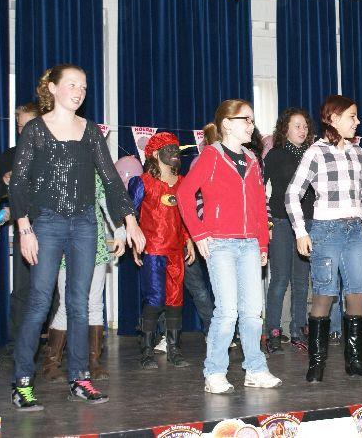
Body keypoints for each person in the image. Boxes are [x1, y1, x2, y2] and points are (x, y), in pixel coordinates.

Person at [9, 64, 144, 411]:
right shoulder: (36, 130)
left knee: (79, 303)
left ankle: (80, 378)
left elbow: (111, 180)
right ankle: (22, 382)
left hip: (84, 224)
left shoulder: (90, 132)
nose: (79, 91)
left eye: (83, 87)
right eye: (72, 85)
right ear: (53, 88)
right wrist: (25, 228)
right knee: (40, 302)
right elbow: (19, 184)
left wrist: (130, 221)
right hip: (46, 223)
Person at [177, 99, 281, 393]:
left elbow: (259, 205)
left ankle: (255, 369)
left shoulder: (252, 159)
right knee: (227, 311)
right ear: (227, 124)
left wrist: (263, 244)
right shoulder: (211, 155)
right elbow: (185, 194)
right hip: (220, 243)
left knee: (253, 311)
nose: (251, 125)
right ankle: (214, 372)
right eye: (245, 119)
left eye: (252, 120)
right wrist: (199, 234)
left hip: (250, 244)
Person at [285, 94, 362, 383]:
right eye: (352, 116)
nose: (358, 121)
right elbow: (292, 193)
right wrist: (301, 231)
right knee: (324, 295)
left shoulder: (358, 152)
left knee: (357, 293)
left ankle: (355, 361)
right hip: (325, 232)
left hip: (354, 231)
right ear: (334, 119)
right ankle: (317, 363)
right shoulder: (315, 152)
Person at [42, 172, 126, 381]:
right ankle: (51, 362)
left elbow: (109, 204)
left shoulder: (96, 175)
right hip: (67, 248)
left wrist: (120, 232)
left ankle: (93, 361)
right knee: (66, 305)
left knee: (95, 304)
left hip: (95, 248)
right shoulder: (58, 171)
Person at [129, 132, 195, 369]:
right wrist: (135, 244)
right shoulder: (143, 182)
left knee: (176, 299)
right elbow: (131, 217)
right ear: (156, 154)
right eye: (170, 149)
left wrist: (189, 240)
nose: (175, 154)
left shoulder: (183, 182)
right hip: (153, 250)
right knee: (155, 298)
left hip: (176, 250)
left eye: (177, 149)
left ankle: (174, 349)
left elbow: (186, 216)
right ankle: (146, 350)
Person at [263, 107, 315, 354]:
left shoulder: (313, 154)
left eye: (305, 126)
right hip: (282, 222)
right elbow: (261, 190)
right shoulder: (275, 155)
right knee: (280, 279)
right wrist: (266, 223)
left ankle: (298, 330)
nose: (302, 130)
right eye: (297, 126)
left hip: (308, 223)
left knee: (302, 281)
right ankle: (273, 331)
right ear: (285, 129)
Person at [0, 102, 38, 349]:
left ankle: (55, 344)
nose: (22, 130)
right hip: (24, 229)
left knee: (55, 287)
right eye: (19, 126)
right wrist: (5, 183)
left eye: (27, 125)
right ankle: (19, 342)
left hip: (52, 227)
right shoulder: (9, 156)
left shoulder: (51, 153)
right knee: (23, 288)